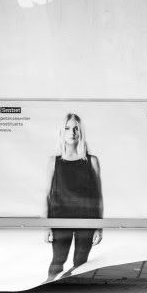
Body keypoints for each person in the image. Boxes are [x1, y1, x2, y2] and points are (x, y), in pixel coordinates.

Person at [45, 113, 103, 282]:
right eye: (67, 128)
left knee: (80, 262)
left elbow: (98, 196)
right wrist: (45, 226)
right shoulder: (53, 161)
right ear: (61, 132)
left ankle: (73, 290)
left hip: (87, 219)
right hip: (59, 219)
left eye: (76, 128)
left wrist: (99, 227)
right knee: (58, 260)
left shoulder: (92, 161)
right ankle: (49, 286)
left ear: (81, 132)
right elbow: (46, 195)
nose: (72, 132)